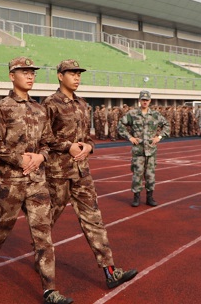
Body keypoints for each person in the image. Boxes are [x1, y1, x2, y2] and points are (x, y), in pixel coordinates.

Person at [0, 56, 73, 304]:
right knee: (1, 229)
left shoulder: (39, 109)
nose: (30, 76)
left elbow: (47, 142)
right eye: (24, 72)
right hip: (9, 183)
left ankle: (50, 290)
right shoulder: (2, 108)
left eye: (32, 72)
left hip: (36, 182)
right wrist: (18, 159)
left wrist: (40, 157)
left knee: (44, 235)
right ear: (12, 76)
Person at [42, 59, 138, 290]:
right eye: (72, 73)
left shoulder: (83, 104)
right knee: (46, 221)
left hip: (82, 173)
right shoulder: (50, 104)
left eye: (79, 74)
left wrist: (89, 146)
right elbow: (43, 137)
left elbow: (87, 137)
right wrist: (68, 146)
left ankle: (110, 271)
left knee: (94, 220)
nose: (76, 77)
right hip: (58, 174)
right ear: (60, 76)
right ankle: (40, 256)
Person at [117, 90, 170, 207]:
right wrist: (129, 137)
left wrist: (159, 137)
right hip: (138, 151)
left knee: (150, 176)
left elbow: (167, 125)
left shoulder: (155, 115)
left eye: (147, 100)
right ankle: (136, 198)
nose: (145, 102)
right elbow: (120, 125)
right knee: (137, 175)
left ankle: (149, 198)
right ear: (139, 100)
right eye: (143, 100)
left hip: (151, 150)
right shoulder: (132, 114)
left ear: (150, 101)